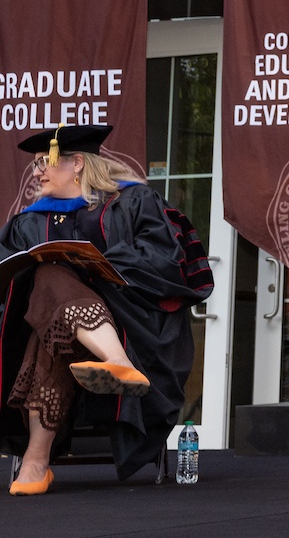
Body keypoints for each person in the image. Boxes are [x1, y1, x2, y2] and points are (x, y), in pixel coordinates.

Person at [1, 127, 206, 493]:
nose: (36, 172)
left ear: (77, 163)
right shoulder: (29, 221)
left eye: (43, 162)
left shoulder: (133, 202)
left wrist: (95, 268)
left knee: (52, 282)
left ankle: (36, 461)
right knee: (49, 286)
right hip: (55, 328)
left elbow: (165, 263)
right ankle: (118, 365)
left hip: (132, 322)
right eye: (33, 165)